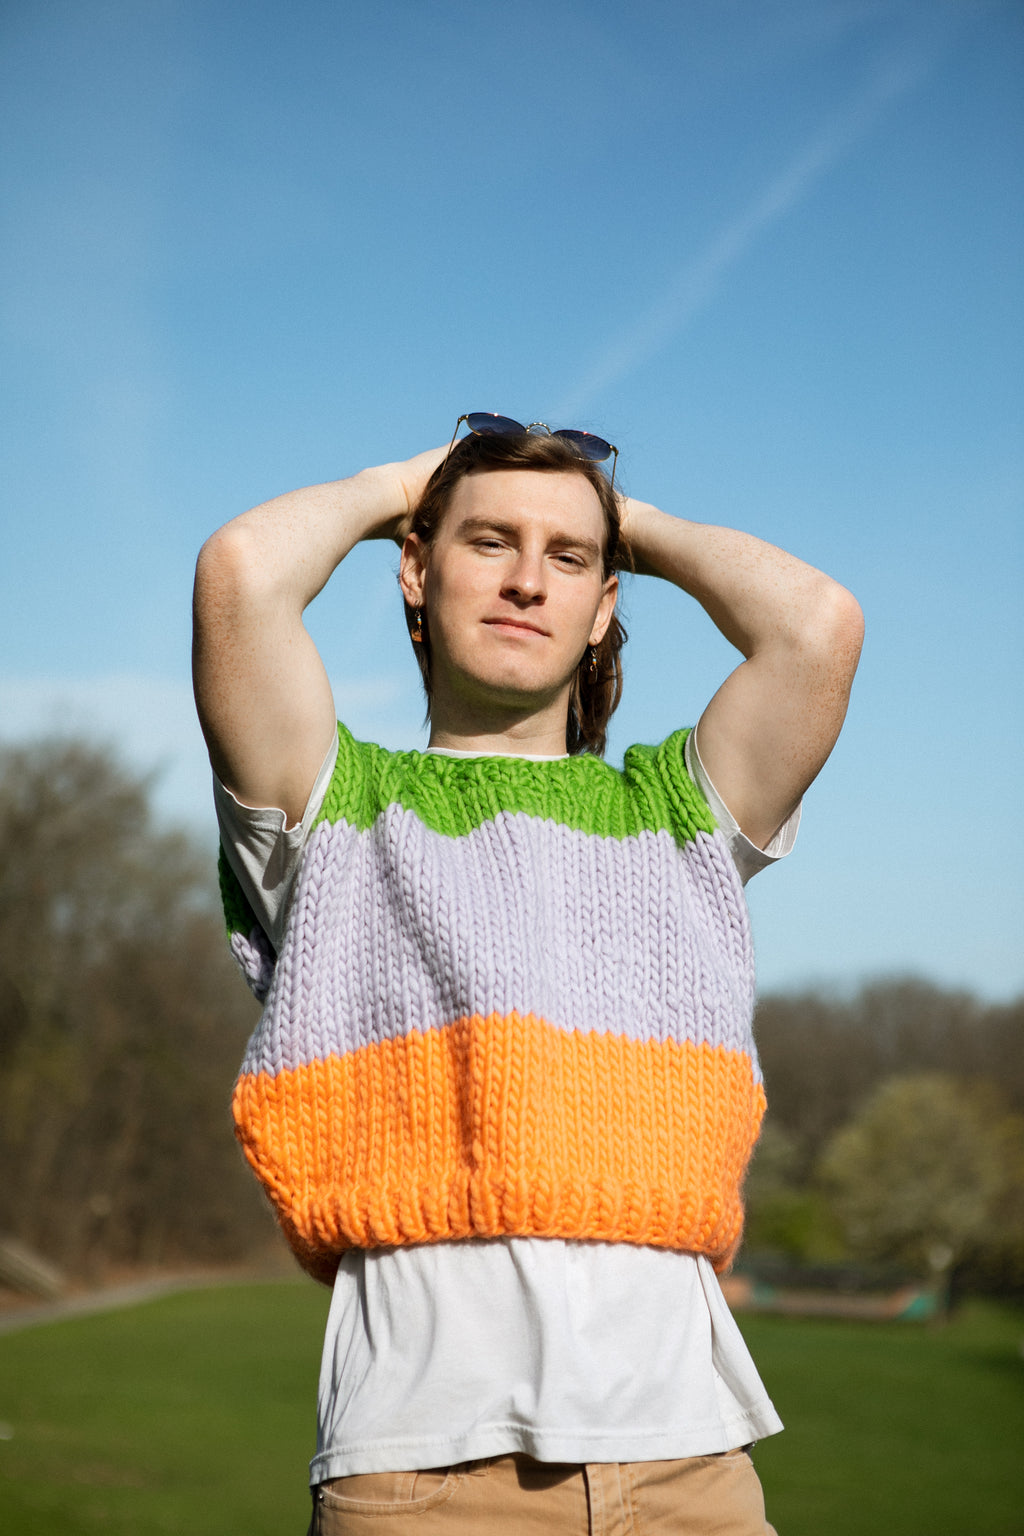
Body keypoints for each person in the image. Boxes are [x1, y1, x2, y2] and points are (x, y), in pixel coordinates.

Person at [192, 414, 863, 1535]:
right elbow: (241, 576)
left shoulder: (677, 814)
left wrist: (622, 522)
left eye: (565, 560)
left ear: (606, 605)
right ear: (415, 569)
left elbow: (817, 628)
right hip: (423, 1475)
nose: (524, 583)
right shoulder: (331, 805)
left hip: (692, 1467)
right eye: (486, 543)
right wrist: (405, 485)